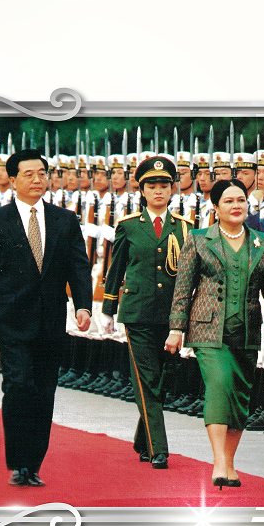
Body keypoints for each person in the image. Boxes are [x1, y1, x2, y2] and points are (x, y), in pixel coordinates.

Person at [0, 148, 93, 487]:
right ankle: (19, 463)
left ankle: (34, 464)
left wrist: (83, 306)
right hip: (11, 322)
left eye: (42, 173)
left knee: (44, 391)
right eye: (29, 174)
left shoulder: (65, 220)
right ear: (12, 180)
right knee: (18, 386)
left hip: (51, 322)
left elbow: (78, 267)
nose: (37, 180)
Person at [165, 179, 264, 489]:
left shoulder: (263, 242)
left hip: (246, 331)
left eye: (241, 200)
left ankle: (229, 463)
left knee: (240, 397)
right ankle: (218, 462)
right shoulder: (199, 239)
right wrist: (176, 328)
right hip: (207, 330)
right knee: (219, 386)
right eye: (229, 201)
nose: (236, 206)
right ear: (216, 208)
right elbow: (183, 287)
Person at [101, 156, 192, 469]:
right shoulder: (128, 226)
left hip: (171, 315)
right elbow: (115, 268)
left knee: (162, 380)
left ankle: (143, 440)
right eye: (152, 186)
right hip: (137, 312)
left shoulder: (184, 228)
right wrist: (108, 308)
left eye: (164, 185)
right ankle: (158, 449)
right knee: (146, 380)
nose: (158, 191)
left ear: (172, 189)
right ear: (142, 190)